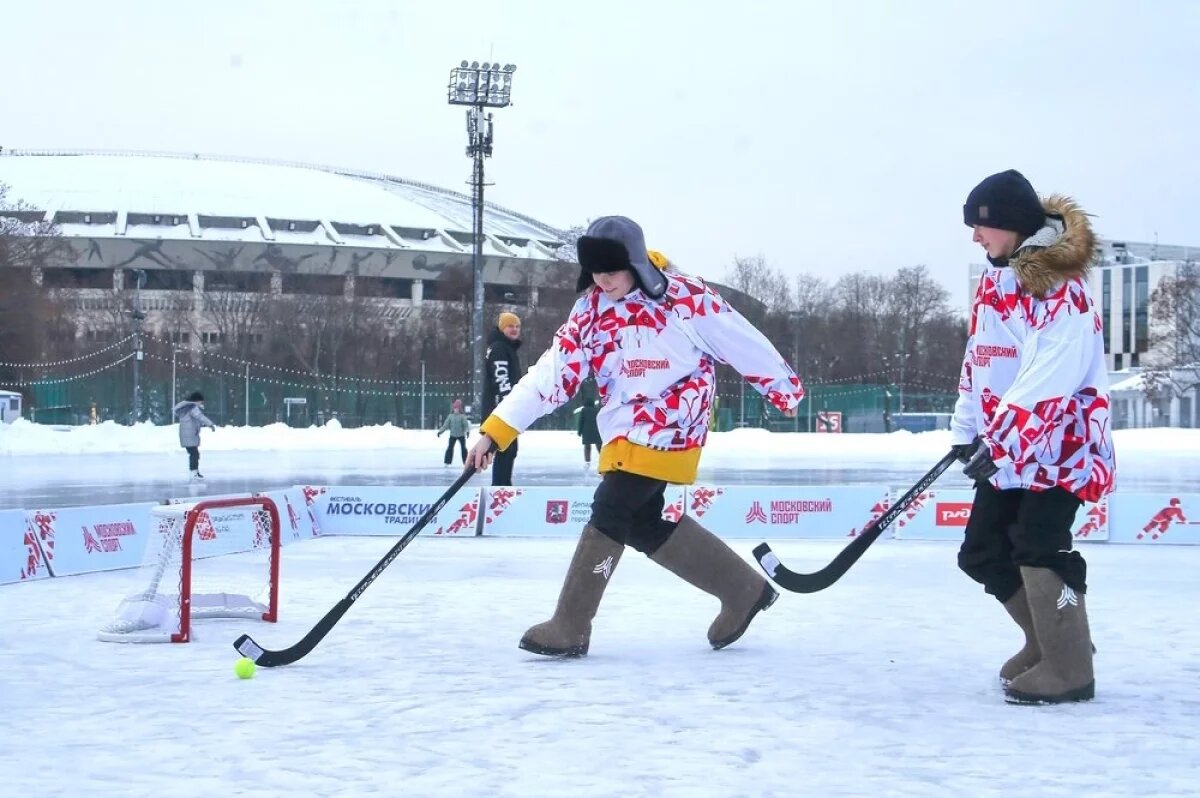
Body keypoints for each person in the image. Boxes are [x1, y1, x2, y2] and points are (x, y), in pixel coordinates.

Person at [467, 215, 804, 657]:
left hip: (673, 425)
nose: (603, 281)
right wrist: (496, 430)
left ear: (636, 262)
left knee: (611, 508)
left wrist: (782, 387)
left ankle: (571, 624)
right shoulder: (589, 312)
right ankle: (743, 590)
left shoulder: (684, 299)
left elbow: (741, 339)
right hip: (623, 431)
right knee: (642, 522)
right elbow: (551, 374)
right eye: (595, 272)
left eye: (612, 270)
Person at [952, 169, 1115, 704]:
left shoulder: (1063, 294)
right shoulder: (996, 285)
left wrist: (996, 442)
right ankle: (1050, 640)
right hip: (1007, 447)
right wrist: (966, 430)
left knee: (1040, 548)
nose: (976, 237)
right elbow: (981, 362)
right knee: (980, 552)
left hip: (1062, 448)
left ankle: (1070, 666)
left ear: (1015, 226)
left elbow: (1049, 380)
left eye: (984, 227)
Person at [484, 311, 523, 486]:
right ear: (502, 328)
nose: (514, 330)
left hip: (505, 408)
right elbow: (501, 380)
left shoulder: (505, 348)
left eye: (517, 326)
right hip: (502, 408)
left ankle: (502, 485)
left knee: (509, 449)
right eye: (510, 326)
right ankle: (500, 487)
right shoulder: (499, 348)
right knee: (505, 449)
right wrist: (508, 406)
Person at [174, 390, 216, 481]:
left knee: (194, 454)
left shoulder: (186, 408)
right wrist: (210, 424)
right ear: (197, 400)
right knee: (194, 454)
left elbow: (194, 420)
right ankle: (194, 473)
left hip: (186, 434)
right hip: (190, 435)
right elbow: (200, 417)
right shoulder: (192, 408)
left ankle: (194, 472)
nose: (201, 403)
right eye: (201, 401)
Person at [437, 398, 471, 466]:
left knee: (463, 448)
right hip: (453, 435)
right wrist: (440, 432)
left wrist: (467, 432)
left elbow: (466, 425)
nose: (456, 410)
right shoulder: (450, 416)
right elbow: (445, 425)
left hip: (461, 435)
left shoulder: (462, 416)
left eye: (457, 408)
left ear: (459, 409)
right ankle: (447, 462)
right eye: (455, 408)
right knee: (450, 448)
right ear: (453, 409)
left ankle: (466, 462)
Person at [576, 397, 601, 471]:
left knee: (587, 447)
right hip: (596, 430)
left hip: (586, 430)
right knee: (599, 446)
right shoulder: (597, 410)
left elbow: (581, 421)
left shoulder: (584, 410)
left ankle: (587, 462)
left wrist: (579, 431)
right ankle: (603, 459)